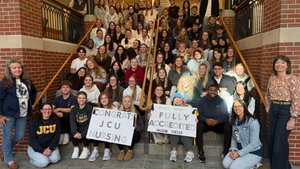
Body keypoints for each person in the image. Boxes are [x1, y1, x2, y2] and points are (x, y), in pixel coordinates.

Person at [0, 59, 37, 169]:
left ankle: (6, 152)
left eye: (19, 67)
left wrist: (32, 103)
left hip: (23, 113)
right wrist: (0, 115)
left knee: (19, 135)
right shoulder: (4, 83)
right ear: (9, 70)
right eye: (14, 68)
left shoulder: (27, 81)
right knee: (7, 136)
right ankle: (9, 160)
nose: (17, 69)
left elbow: (34, 92)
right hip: (8, 115)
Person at [266, 55, 300, 169]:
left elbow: (297, 98)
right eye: (277, 62)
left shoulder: (292, 78)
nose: (279, 65)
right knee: (272, 142)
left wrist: (293, 118)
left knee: (279, 144)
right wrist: (268, 107)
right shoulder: (272, 78)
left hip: (285, 112)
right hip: (273, 111)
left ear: (287, 65)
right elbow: (267, 95)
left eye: (282, 63)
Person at [222, 99, 263, 169]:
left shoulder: (253, 122)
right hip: (239, 149)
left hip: (253, 152)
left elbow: (254, 143)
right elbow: (234, 138)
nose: (237, 108)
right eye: (235, 106)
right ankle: (250, 166)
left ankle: (254, 165)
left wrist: (238, 154)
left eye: (240, 106)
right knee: (225, 164)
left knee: (233, 167)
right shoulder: (234, 120)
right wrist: (233, 149)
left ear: (244, 107)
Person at [196, 84, 231, 163]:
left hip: (217, 124)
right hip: (206, 123)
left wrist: (218, 121)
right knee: (199, 126)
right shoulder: (202, 100)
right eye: (211, 90)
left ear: (217, 91)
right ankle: (201, 152)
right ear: (208, 91)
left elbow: (225, 115)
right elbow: (197, 114)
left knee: (228, 127)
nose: (212, 91)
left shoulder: (222, 101)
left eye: (215, 90)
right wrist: (206, 120)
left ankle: (225, 151)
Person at [28, 103, 61, 168]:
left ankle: (44, 157)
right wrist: (42, 151)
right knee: (44, 163)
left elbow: (56, 136)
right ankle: (32, 159)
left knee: (55, 159)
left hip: (49, 146)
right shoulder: (34, 122)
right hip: (36, 147)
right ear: (41, 110)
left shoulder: (56, 120)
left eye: (49, 109)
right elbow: (32, 139)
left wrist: (51, 148)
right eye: (45, 109)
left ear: (51, 110)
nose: (47, 111)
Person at [88, 92, 117, 161]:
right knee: (95, 127)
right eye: (102, 98)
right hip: (100, 130)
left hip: (111, 129)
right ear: (99, 100)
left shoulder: (114, 108)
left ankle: (107, 149)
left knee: (105, 128)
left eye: (105, 98)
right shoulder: (96, 109)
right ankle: (95, 150)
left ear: (109, 99)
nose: (104, 100)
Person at [169, 92, 195, 163]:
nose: (177, 100)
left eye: (179, 98)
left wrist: (195, 119)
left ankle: (190, 152)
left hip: (186, 131)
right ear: (173, 101)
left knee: (185, 134)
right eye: (175, 99)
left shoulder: (189, 107)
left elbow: (193, 117)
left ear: (182, 99)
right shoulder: (171, 108)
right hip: (175, 131)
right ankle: (173, 151)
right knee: (173, 132)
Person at [117, 96, 143, 161]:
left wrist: (135, 128)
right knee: (116, 132)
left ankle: (130, 150)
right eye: (125, 101)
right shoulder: (119, 112)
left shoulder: (135, 112)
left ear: (131, 103)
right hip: (123, 133)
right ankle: (121, 150)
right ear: (122, 102)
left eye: (129, 101)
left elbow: (141, 125)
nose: (126, 103)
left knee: (134, 133)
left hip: (134, 134)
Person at [70, 91, 93, 159]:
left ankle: (86, 148)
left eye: (83, 98)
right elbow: (72, 121)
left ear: (86, 99)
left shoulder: (89, 108)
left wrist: (82, 134)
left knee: (85, 131)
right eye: (79, 98)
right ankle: (76, 148)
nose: (81, 100)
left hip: (86, 127)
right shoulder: (74, 109)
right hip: (78, 127)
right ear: (77, 99)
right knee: (71, 131)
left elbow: (90, 123)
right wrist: (75, 132)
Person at [52, 81, 77, 145]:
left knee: (64, 114)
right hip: (60, 118)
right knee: (56, 115)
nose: (65, 89)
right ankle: (61, 134)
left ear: (70, 89)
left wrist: (59, 109)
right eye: (63, 87)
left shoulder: (73, 98)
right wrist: (56, 113)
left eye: (67, 87)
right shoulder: (58, 99)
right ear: (61, 89)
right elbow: (50, 108)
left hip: (70, 118)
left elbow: (72, 110)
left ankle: (66, 134)